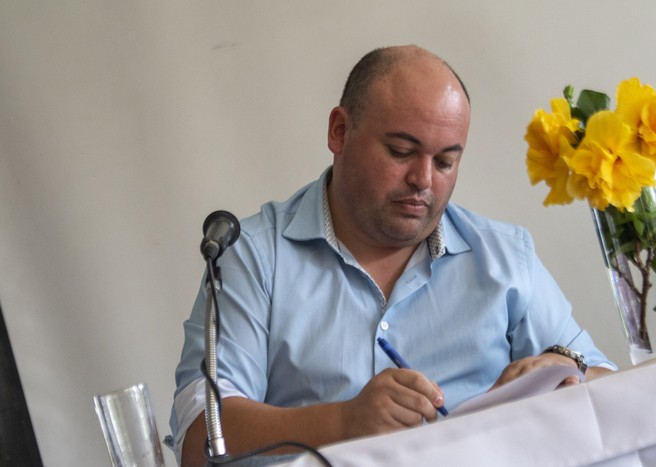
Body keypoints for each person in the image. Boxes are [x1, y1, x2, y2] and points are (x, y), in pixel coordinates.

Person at [169, 45, 615, 466]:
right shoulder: (251, 255)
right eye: (401, 152)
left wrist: (565, 367)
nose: (423, 179)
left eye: (445, 162)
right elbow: (198, 437)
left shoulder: (504, 257)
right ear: (340, 132)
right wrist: (344, 421)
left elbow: (610, 390)